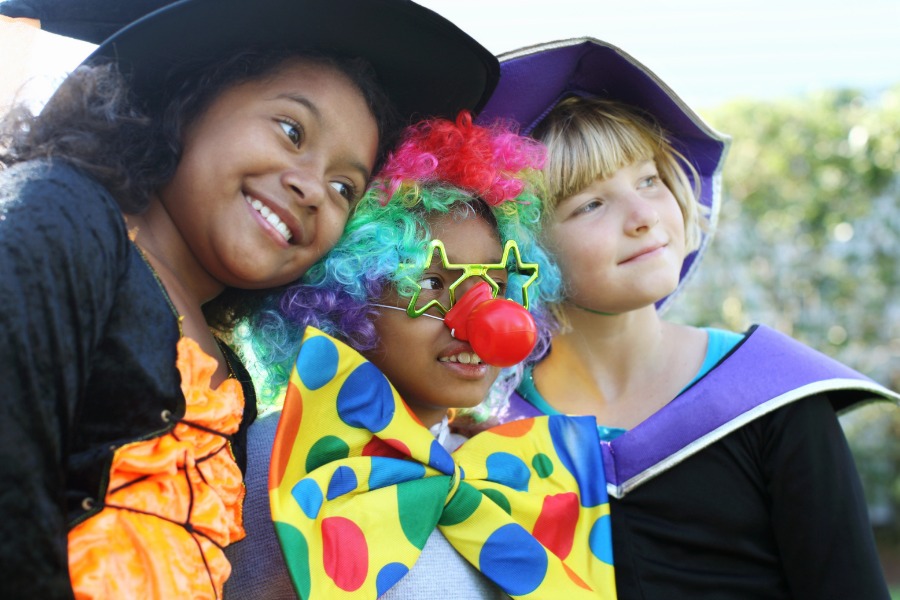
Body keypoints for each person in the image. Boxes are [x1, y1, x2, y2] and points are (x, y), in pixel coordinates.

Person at [0, 0, 501, 597]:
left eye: (345, 187)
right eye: (292, 131)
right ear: (188, 99)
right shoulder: (67, 216)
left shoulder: (231, 383)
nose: (312, 188)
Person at [476, 37, 900, 599]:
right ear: (522, 249)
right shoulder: (489, 432)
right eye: (590, 204)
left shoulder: (772, 398)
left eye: (648, 180)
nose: (643, 217)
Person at [225, 112, 617, 599]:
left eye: (496, 287)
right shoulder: (279, 454)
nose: (481, 321)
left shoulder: (511, 471)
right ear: (348, 298)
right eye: (433, 283)